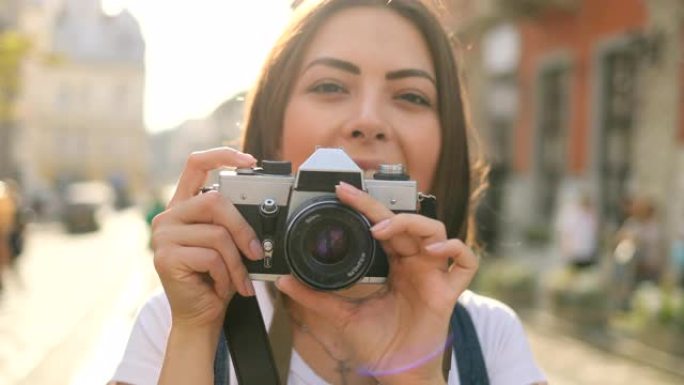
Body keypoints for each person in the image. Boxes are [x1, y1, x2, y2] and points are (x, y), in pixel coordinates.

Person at [110, 1, 546, 384]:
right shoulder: (177, 322)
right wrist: (196, 335)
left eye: (411, 96)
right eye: (330, 86)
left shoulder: (490, 340)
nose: (368, 119)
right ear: (272, 129)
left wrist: (417, 374)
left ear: (444, 144)